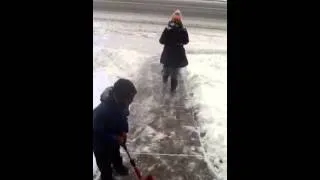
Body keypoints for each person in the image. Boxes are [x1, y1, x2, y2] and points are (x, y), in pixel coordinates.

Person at [93, 78, 137, 180]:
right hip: (99, 142)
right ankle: (106, 176)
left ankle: (118, 166)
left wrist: (123, 131)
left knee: (115, 153)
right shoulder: (101, 112)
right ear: (119, 97)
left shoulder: (122, 104)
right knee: (104, 163)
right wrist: (114, 137)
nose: (131, 101)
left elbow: (123, 117)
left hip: (114, 136)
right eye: (129, 99)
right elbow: (98, 131)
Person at [159, 9, 189, 92]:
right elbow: (186, 41)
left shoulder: (168, 29)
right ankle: (172, 91)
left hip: (168, 54)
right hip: (177, 56)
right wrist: (178, 42)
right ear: (180, 19)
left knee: (166, 71)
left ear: (172, 18)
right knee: (174, 75)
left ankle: (164, 85)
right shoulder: (183, 29)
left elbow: (161, 41)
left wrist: (169, 41)